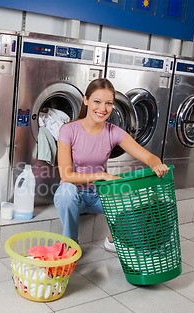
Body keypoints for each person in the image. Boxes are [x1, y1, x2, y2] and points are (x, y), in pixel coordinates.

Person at [53, 78, 168, 252]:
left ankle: (113, 240)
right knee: (65, 192)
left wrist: (156, 164)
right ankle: (71, 245)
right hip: (75, 194)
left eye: (109, 103)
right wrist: (101, 175)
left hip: (101, 194)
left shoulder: (113, 132)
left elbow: (148, 157)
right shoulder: (68, 130)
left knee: (134, 197)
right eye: (97, 102)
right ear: (86, 100)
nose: (102, 109)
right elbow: (66, 176)